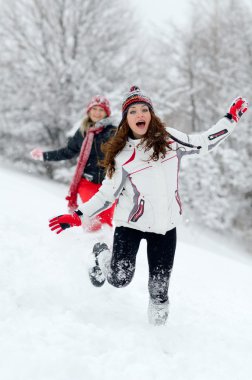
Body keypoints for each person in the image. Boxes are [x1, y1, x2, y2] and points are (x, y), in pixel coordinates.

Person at [48, 86, 248, 326]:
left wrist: (231, 119)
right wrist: (79, 216)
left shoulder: (170, 139)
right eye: (133, 111)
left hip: (165, 227)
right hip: (130, 225)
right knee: (120, 278)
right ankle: (101, 254)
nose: (139, 114)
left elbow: (204, 142)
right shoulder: (122, 155)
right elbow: (106, 195)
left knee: (159, 291)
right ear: (126, 120)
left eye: (144, 109)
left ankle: (157, 336)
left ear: (151, 115)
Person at [31, 95, 117, 232]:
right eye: (94, 108)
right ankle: (88, 248)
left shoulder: (113, 132)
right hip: (87, 182)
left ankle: (102, 249)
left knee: (106, 222)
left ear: (107, 113)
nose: (97, 112)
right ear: (89, 111)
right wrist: (44, 155)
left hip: (109, 185)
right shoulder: (83, 131)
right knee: (93, 221)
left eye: (101, 110)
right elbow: (68, 152)